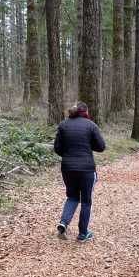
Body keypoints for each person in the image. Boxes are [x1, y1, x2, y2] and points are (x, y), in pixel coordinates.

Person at [54, 101, 106, 242]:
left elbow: (57, 148)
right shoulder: (91, 125)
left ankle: (63, 223)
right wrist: (88, 146)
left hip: (67, 168)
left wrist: (68, 154)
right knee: (86, 201)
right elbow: (101, 146)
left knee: (72, 197)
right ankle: (83, 234)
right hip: (87, 169)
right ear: (86, 112)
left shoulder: (63, 124)